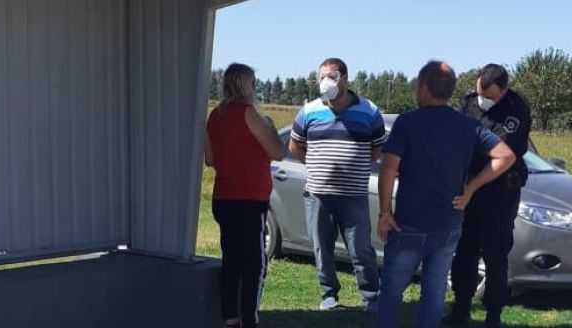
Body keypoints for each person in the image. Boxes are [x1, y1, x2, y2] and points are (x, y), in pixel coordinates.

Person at [376, 61, 516, 328]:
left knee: (392, 289)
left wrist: (385, 212)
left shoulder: (407, 123)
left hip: (410, 223)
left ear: (423, 88)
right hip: (449, 224)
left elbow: (388, 168)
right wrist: (471, 188)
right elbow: (505, 156)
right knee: (435, 289)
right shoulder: (467, 125)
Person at [289, 57, 386, 312]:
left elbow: (377, 148)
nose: (325, 82)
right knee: (321, 247)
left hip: (353, 194)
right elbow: (295, 145)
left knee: (361, 249)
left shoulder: (369, 111)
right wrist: (316, 166)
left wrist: (354, 164)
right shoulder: (309, 111)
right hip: (318, 194)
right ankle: (328, 296)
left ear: (344, 79)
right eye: (321, 77)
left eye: (330, 76)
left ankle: (371, 297)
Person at [446, 63, 532, 328]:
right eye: (481, 92)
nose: (484, 101)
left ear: (504, 90)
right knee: (465, 250)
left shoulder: (516, 110)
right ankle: (461, 308)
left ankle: (493, 315)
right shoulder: (470, 102)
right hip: (469, 187)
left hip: (499, 190)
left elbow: (500, 158)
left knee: (495, 254)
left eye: (491, 96)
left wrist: (472, 186)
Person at [205, 63, 284, 328]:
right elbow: (277, 152)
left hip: (223, 197)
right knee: (254, 265)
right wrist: (270, 128)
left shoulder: (216, 116)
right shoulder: (248, 113)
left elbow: (210, 159)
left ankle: (229, 316)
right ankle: (249, 319)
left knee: (232, 260)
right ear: (246, 85)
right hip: (248, 199)